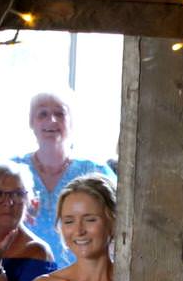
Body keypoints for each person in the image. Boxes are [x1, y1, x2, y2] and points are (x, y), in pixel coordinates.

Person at [8, 90, 115, 263]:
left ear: (71, 122)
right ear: (31, 122)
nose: (52, 120)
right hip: (24, 272)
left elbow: (118, 220)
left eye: (60, 113)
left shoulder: (94, 170)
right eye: (42, 114)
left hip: (86, 274)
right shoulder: (13, 171)